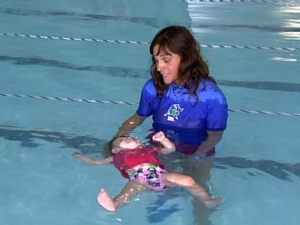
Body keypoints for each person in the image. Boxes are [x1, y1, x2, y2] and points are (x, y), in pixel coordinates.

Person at [114, 25, 228, 158]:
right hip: (159, 147)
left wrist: (198, 155)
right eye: (156, 60)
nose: (158, 67)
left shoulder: (212, 98)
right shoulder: (153, 88)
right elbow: (138, 118)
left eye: (166, 60)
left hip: (198, 150)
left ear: (186, 58)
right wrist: (116, 140)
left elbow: (215, 136)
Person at [73, 131, 222, 212]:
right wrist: (82, 157)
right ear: (116, 149)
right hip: (139, 179)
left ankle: (207, 200)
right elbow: (94, 162)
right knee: (128, 192)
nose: (129, 138)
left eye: (131, 137)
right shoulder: (115, 157)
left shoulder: (148, 150)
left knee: (187, 180)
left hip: (160, 176)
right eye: (124, 140)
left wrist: (163, 139)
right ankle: (114, 205)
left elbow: (171, 149)